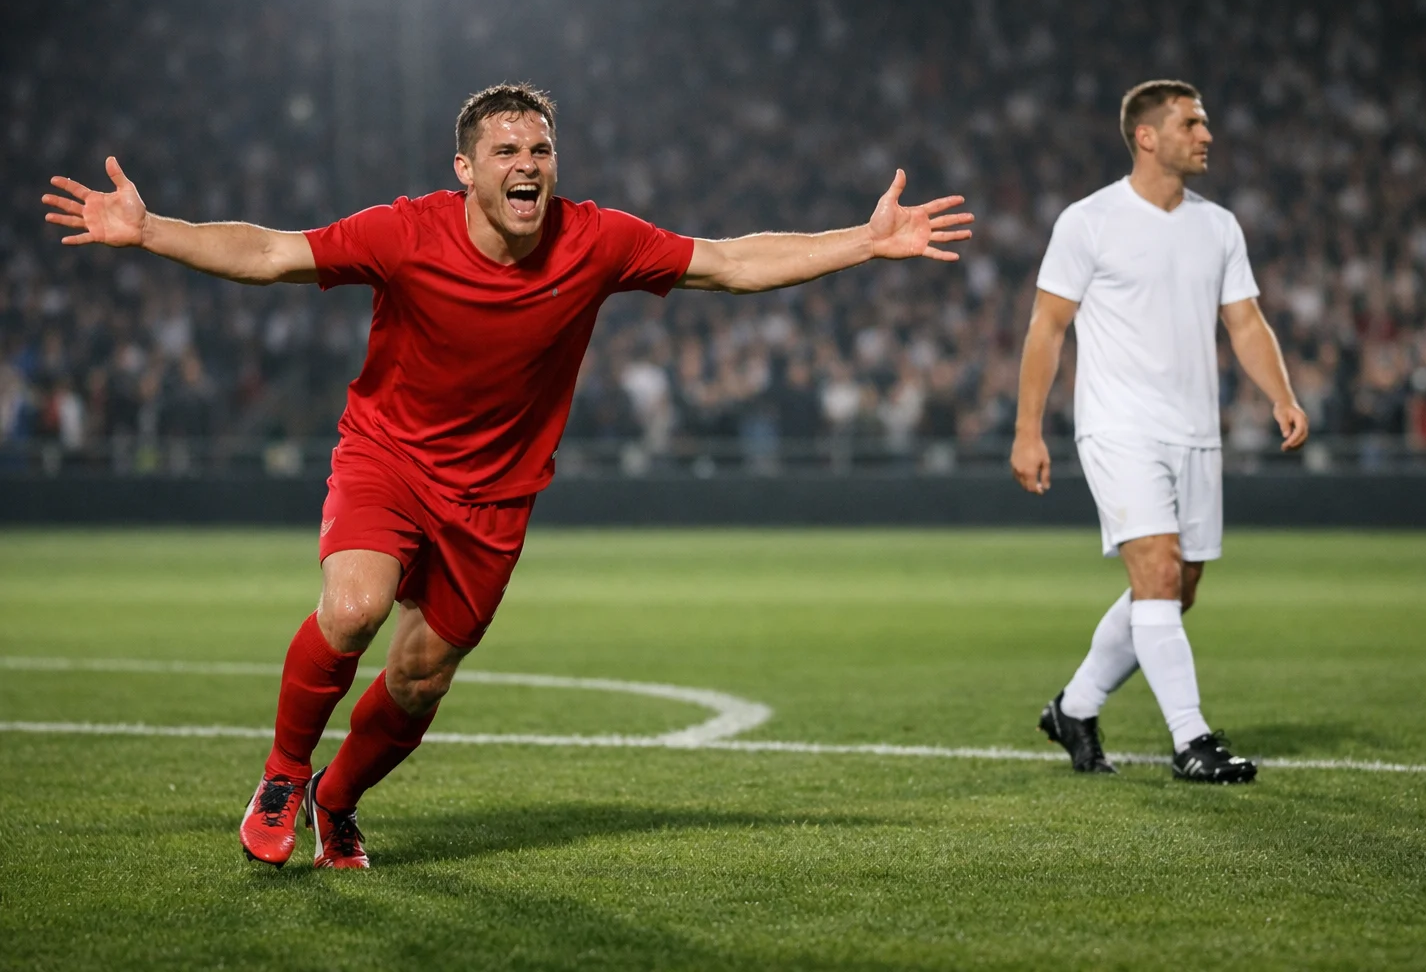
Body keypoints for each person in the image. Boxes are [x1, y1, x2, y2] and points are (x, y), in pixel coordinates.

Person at [43, 82, 972, 867]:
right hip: (390, 457)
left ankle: (338, 799)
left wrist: (862, 240)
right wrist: (153, 229)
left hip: (495, 497)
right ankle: (284, 776)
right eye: (505, 150)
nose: (527, 164)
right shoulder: (405, 233)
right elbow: (276, 251)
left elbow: (727, 263)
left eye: (540, 147)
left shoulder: (596, 239)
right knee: (356, 607)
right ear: (467, 169)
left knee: (421, 677)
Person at [1009, 80, 1306, 784]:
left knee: (1178, 588)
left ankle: (1074, 708)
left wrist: (1282, 395)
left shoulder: (1218, 226)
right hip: (1118, 428)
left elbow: (1244, 323)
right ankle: (1191, 740)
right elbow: (1046, 328)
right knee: (1158, 575)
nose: (1207, 135)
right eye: (1192, 123)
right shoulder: (1090, 221)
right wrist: (1028, 430)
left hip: (1196, 431)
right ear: (1147, 136)